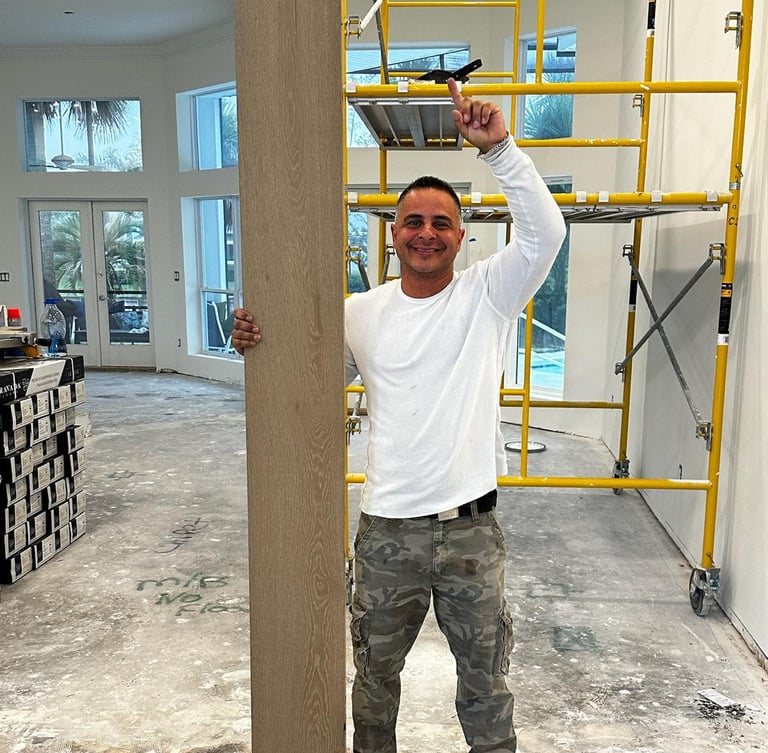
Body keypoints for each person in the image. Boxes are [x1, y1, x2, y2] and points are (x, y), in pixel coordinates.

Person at [232, 78, 566, 753]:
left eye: (441, 223)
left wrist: (499, 149)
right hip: (387, 534)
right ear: (393, 233)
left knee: (486, 686)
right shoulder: (360, 312)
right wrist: (255, 344)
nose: (426, 233)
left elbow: (546, 234)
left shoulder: (489, 296)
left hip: (471, 534)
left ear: (461, 236)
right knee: (375, 683)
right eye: (413, 221)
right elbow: (305, 382)